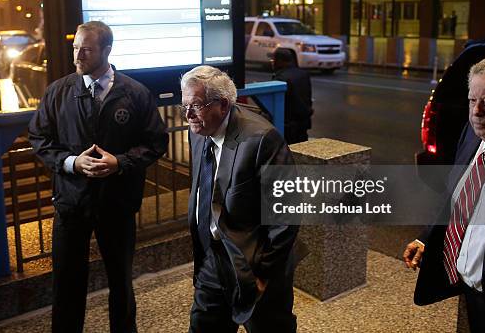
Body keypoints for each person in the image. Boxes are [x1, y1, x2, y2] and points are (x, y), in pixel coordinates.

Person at [28, 21, 168, 333]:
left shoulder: (134, 93)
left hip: (116, 204)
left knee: (121, 281)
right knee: (66, 283)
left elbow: (156, 142)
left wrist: (119, 162)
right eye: (75, 47)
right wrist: (71, 163)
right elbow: (39, 139)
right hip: (71, 203)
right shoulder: (58, 92)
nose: (77, 55)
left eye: (86, 49)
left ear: (107, 50)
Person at [180, 65, 298, 332]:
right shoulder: (199, 130)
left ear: (222, 105)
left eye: (195, 106)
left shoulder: (262, 139)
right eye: (184, 105)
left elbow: (286, 216)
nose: (187, 116)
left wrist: (263, 274)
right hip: (213, 259)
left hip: (255, 262)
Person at [403, 54, 485, 332]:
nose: (476, 112)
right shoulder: (473, 134)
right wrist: (428, 237)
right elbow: (457, 193)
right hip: (470, 290)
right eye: (472, 100)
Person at [272, 49, 313, 144]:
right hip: (303, 122)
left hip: (288, 126)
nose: (273, 63)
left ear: (280, 61)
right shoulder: (303, 74)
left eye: (274, 60)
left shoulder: (280, 78)